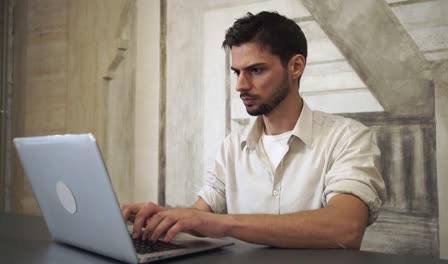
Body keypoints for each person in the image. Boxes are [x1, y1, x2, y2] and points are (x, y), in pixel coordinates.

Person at [121, 11, 386, 249]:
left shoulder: (348, 138)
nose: (241, 85)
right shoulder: (231, 147)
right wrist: (161, 218)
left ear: (295, 66)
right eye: (237, 72)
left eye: (256, 70)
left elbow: (345, 228)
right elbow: (200, 215)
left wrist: (225, 223)